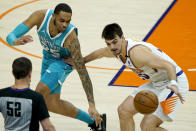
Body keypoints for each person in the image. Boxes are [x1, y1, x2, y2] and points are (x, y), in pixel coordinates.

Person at [6, 3, 106, 131]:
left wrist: (91, 104)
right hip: (48, 59)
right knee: (52, 104)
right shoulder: (40, 17)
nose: (65, 24)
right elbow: (10, 36)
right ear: (53, 16)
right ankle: (95, 122)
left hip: (63, 63)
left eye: (68, 21)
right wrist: (14, 42)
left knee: (39, 93)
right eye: (62, 20)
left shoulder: (71, 37)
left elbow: (83, 73)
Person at [82, 23, 189, 131]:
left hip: (174, 81)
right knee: (124, 111)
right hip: (157, 82)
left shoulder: (136, 53)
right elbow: (100, 53)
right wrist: (79, 62)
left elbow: (169, 66)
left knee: (147, 126)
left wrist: (173, 84)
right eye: (108, 44)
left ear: (122, 37)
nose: (112, 47)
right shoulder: (115, 50)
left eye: (114, 42)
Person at [0, 57, 55, 131]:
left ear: (13, 73)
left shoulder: (2, 94)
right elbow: (48, 127)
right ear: (30, 74)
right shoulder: (36, 98)